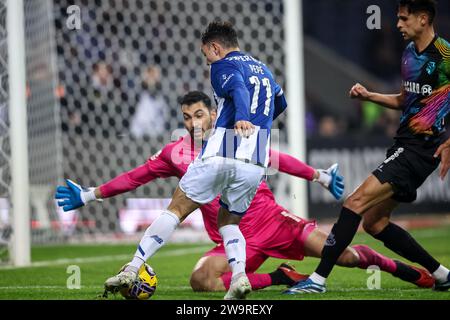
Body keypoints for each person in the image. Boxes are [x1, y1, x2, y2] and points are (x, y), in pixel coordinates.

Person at [55, 91, 434, 296]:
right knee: (200, 281)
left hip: (273, 221)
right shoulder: (176, 153)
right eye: (187, 117)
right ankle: (282, 277)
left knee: (345, 256)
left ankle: (407, 271)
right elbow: (134, 178)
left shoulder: (237, 138)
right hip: (233, 239)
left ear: (212, 112)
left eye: (199, 114)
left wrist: (318, 176)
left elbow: (277, 159)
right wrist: (89, 195)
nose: (193, 123)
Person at [59, 20, 293, 300]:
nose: (206, 60)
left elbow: (239, 89)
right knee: (229, 222)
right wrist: (256, 124)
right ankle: (240, 277)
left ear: (215, 47)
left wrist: (242, 116)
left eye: (205, 54)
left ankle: (132, 268)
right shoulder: (264, 70)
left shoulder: (222, 65)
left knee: (176, 209)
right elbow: (281, 103)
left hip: (225, 148)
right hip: (255, 159)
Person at [285, 0, 450, 295]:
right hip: (404, 144)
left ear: (423, 19)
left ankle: (318, 280)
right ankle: (442, 274)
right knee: (375, 223)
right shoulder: (410, 53)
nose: (397, 24)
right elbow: (404, 99)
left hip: (421, 149)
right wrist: (369, 95)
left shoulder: (445, 57)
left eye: (403, 18)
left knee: (354, 203)